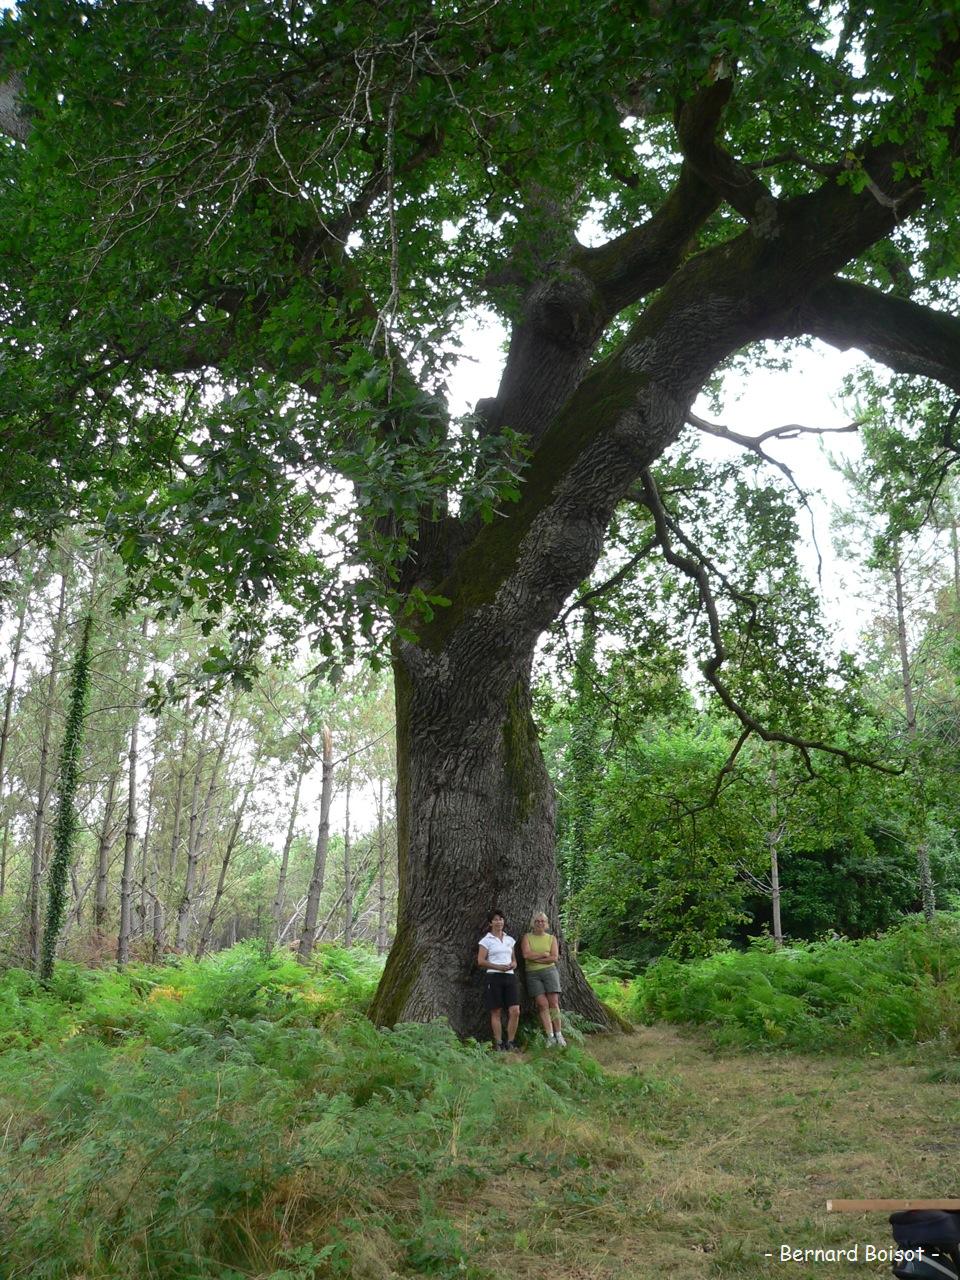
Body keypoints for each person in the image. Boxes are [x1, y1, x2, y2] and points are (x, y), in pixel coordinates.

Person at [477, 909, 521, 1051]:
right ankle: (499, 1043)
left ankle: (511, 1041)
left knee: (515, 1010)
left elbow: (514, 960)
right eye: (495, 919)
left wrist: (512, 965)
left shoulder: (509, 940)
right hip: (494, 976)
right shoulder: (486, 940)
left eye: (501, 919)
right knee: (496, 1011)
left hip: (510, 976)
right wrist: (498, 967)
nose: (499, 922)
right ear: (490, 923)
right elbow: (480, 961)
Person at [521, 910, 566, 1047]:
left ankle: (559, 1034)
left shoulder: (551, 938)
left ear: (546, 923)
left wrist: (537, 958)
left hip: (550, 972)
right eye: (537, 921)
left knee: (554, 1003)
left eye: (542, 921)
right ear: (533, 923)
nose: (540, 923)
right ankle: (550, 1036)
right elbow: (526, 955)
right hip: (532, 974)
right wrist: (544, 955)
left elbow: (554, 957)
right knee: (542, 1004)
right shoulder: (527, 937)